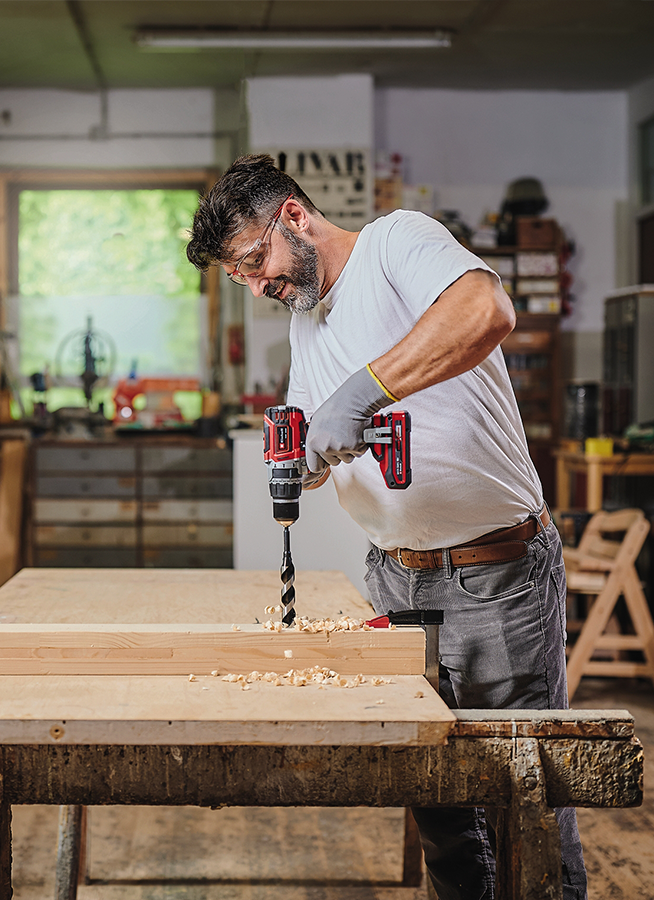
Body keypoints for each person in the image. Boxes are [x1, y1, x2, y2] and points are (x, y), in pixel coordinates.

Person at [186, 154, 587, 900]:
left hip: (496, 575)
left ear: (294, 217)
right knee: (436, 792)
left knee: (523, 796)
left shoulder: (398, 241)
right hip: (397, 577)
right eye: (241, 278)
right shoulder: (307, 322)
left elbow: (485, 312)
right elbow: (317, 427)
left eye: (256, 260)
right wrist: (304, 459)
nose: (259, 285)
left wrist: (365, 390)